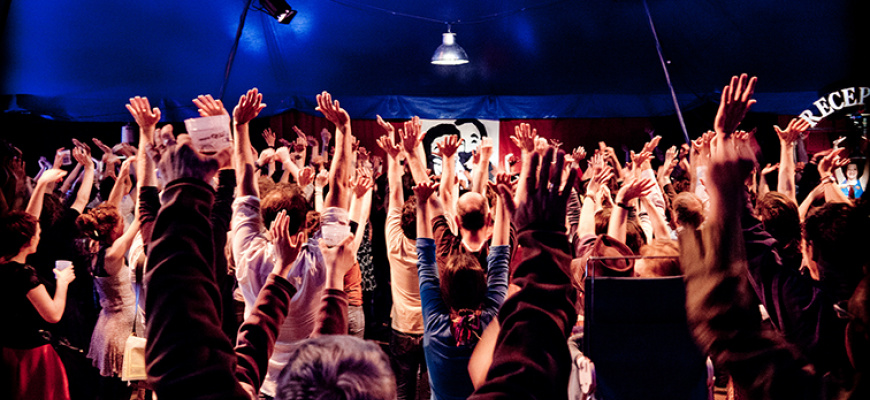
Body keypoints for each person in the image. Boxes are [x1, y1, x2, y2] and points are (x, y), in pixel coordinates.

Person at [413, 168, 510, 400]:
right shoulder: (492, 318)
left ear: (443, 292)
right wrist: (504, 200)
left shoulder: (436, 323)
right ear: (483, 289)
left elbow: (425, 261)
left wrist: (421, 203)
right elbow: (500, 260)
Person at [1, 211, 75, 400]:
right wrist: (63, 283)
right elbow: (53, 314)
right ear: (28, 241)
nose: (39, 237)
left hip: (7, 350)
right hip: (31, 355)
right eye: (38, 234)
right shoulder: (23, 274)